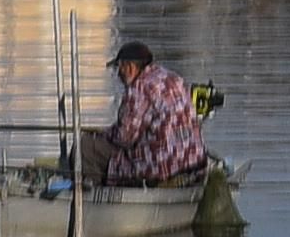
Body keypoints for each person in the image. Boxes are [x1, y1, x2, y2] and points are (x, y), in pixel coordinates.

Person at [79, 39, 209, 187]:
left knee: (85, 146)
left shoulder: (139, 88)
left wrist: (104, 134)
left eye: (119, 68)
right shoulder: (174, 79)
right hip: (194, 160)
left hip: (162, 166)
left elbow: (125, 138)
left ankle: (96, 195)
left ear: (129, 68)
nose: (118, 75)